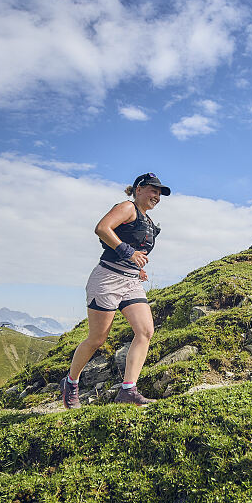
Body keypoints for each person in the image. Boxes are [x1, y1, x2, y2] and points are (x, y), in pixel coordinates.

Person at [61, 172, 169, 408]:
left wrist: (137, 267)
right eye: (153, 190)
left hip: (131, 282)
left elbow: (135, 250)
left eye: (159, 193)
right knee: (97, 338)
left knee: (145, 331)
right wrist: (129, 253)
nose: (156, 196)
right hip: (107, 280)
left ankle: (128, 390)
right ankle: (71, 381)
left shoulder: (149, 222)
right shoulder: (127, 207)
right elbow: (102, 228)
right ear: (138, 189)